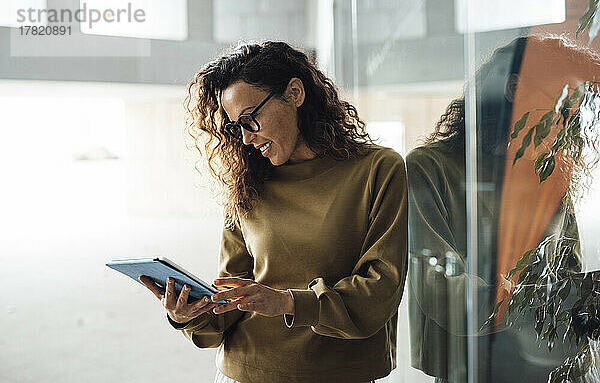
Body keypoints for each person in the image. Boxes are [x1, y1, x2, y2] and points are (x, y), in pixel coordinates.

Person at [139, 41, 408, 383]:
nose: (246, 139)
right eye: (236, 127)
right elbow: (230, 304)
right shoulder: (247, 184)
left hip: (341, 373)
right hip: (245, 372)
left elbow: (381, 290)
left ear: (295, 93)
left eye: (251, 119)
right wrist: (188, 315)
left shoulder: (378, 170)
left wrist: (288, 303)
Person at [407, 34, 599, 383]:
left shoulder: (549, 173)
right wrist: (531, 302)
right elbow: (438, 286)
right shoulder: (430, 169)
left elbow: (566, 272)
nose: (570, 118)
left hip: (553, 368)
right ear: (514, 87)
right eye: (562, 100)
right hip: (473, 369)